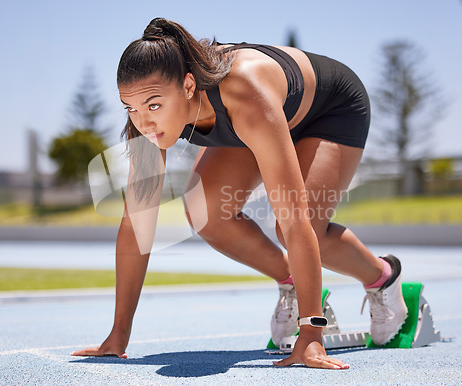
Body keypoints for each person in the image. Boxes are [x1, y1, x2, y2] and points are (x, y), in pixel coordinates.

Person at [72, 18, 408, 369]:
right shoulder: (146, 124)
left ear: (188, 86)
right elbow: (136, 227)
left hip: (330, 110)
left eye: (154, 106)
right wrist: (118, 337)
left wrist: (311, 335)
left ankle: (384, 277)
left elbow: (294, 223)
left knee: (298, 224)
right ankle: (297, 283)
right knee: (204, 212)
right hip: (262, 118)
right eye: (131, 108)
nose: (143, 122)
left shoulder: (245, 92)